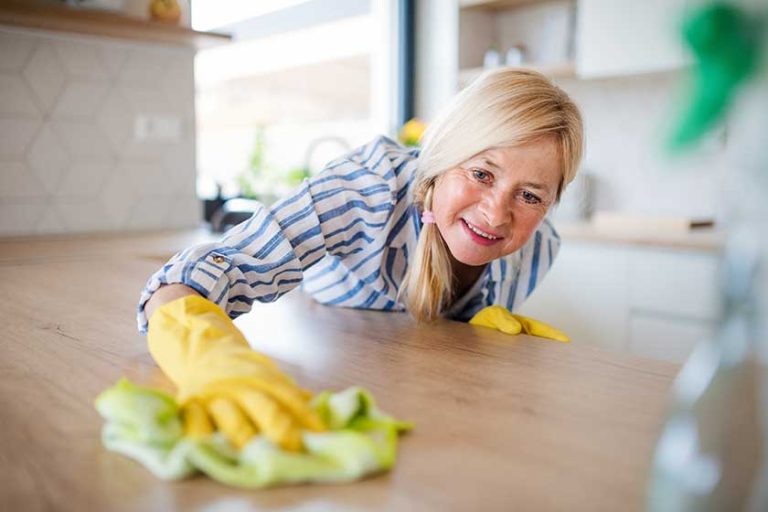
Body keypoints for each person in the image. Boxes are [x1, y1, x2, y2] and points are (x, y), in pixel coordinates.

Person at [140, 68, 583, 452]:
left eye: (529, 196)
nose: (496, 213)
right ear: (443, 157)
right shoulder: (365, 190)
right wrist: (207, 358)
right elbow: (197, 275)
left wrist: (474, 331)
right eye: (481, 173)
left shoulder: (539, 251)